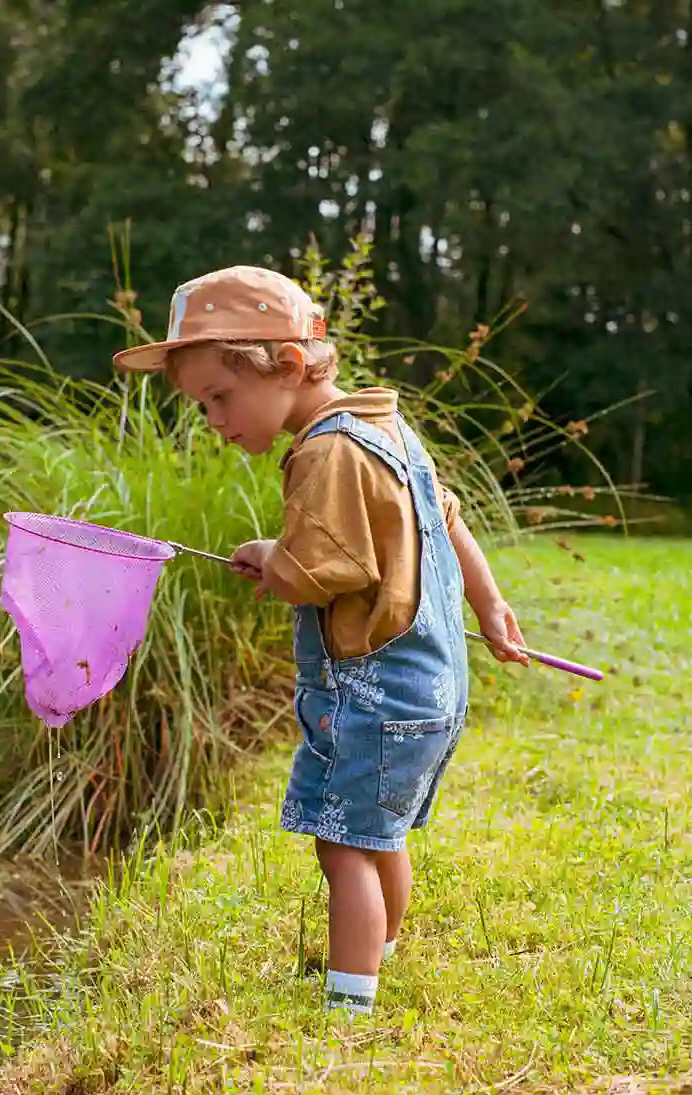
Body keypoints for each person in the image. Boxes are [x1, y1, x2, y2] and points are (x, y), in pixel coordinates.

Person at [114, 265, 528, 1016]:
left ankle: (349, 1001)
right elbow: (446, 519)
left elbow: (321, 571)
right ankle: (379, 950)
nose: (213, 419)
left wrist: (273, 559)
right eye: (202, 404)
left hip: (377, 697)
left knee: (342, 843)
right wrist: (491, 604)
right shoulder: (387, 429)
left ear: (288, 365)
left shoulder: (324, 451)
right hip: (431, 690)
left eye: (220, 397)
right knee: (379, 834)